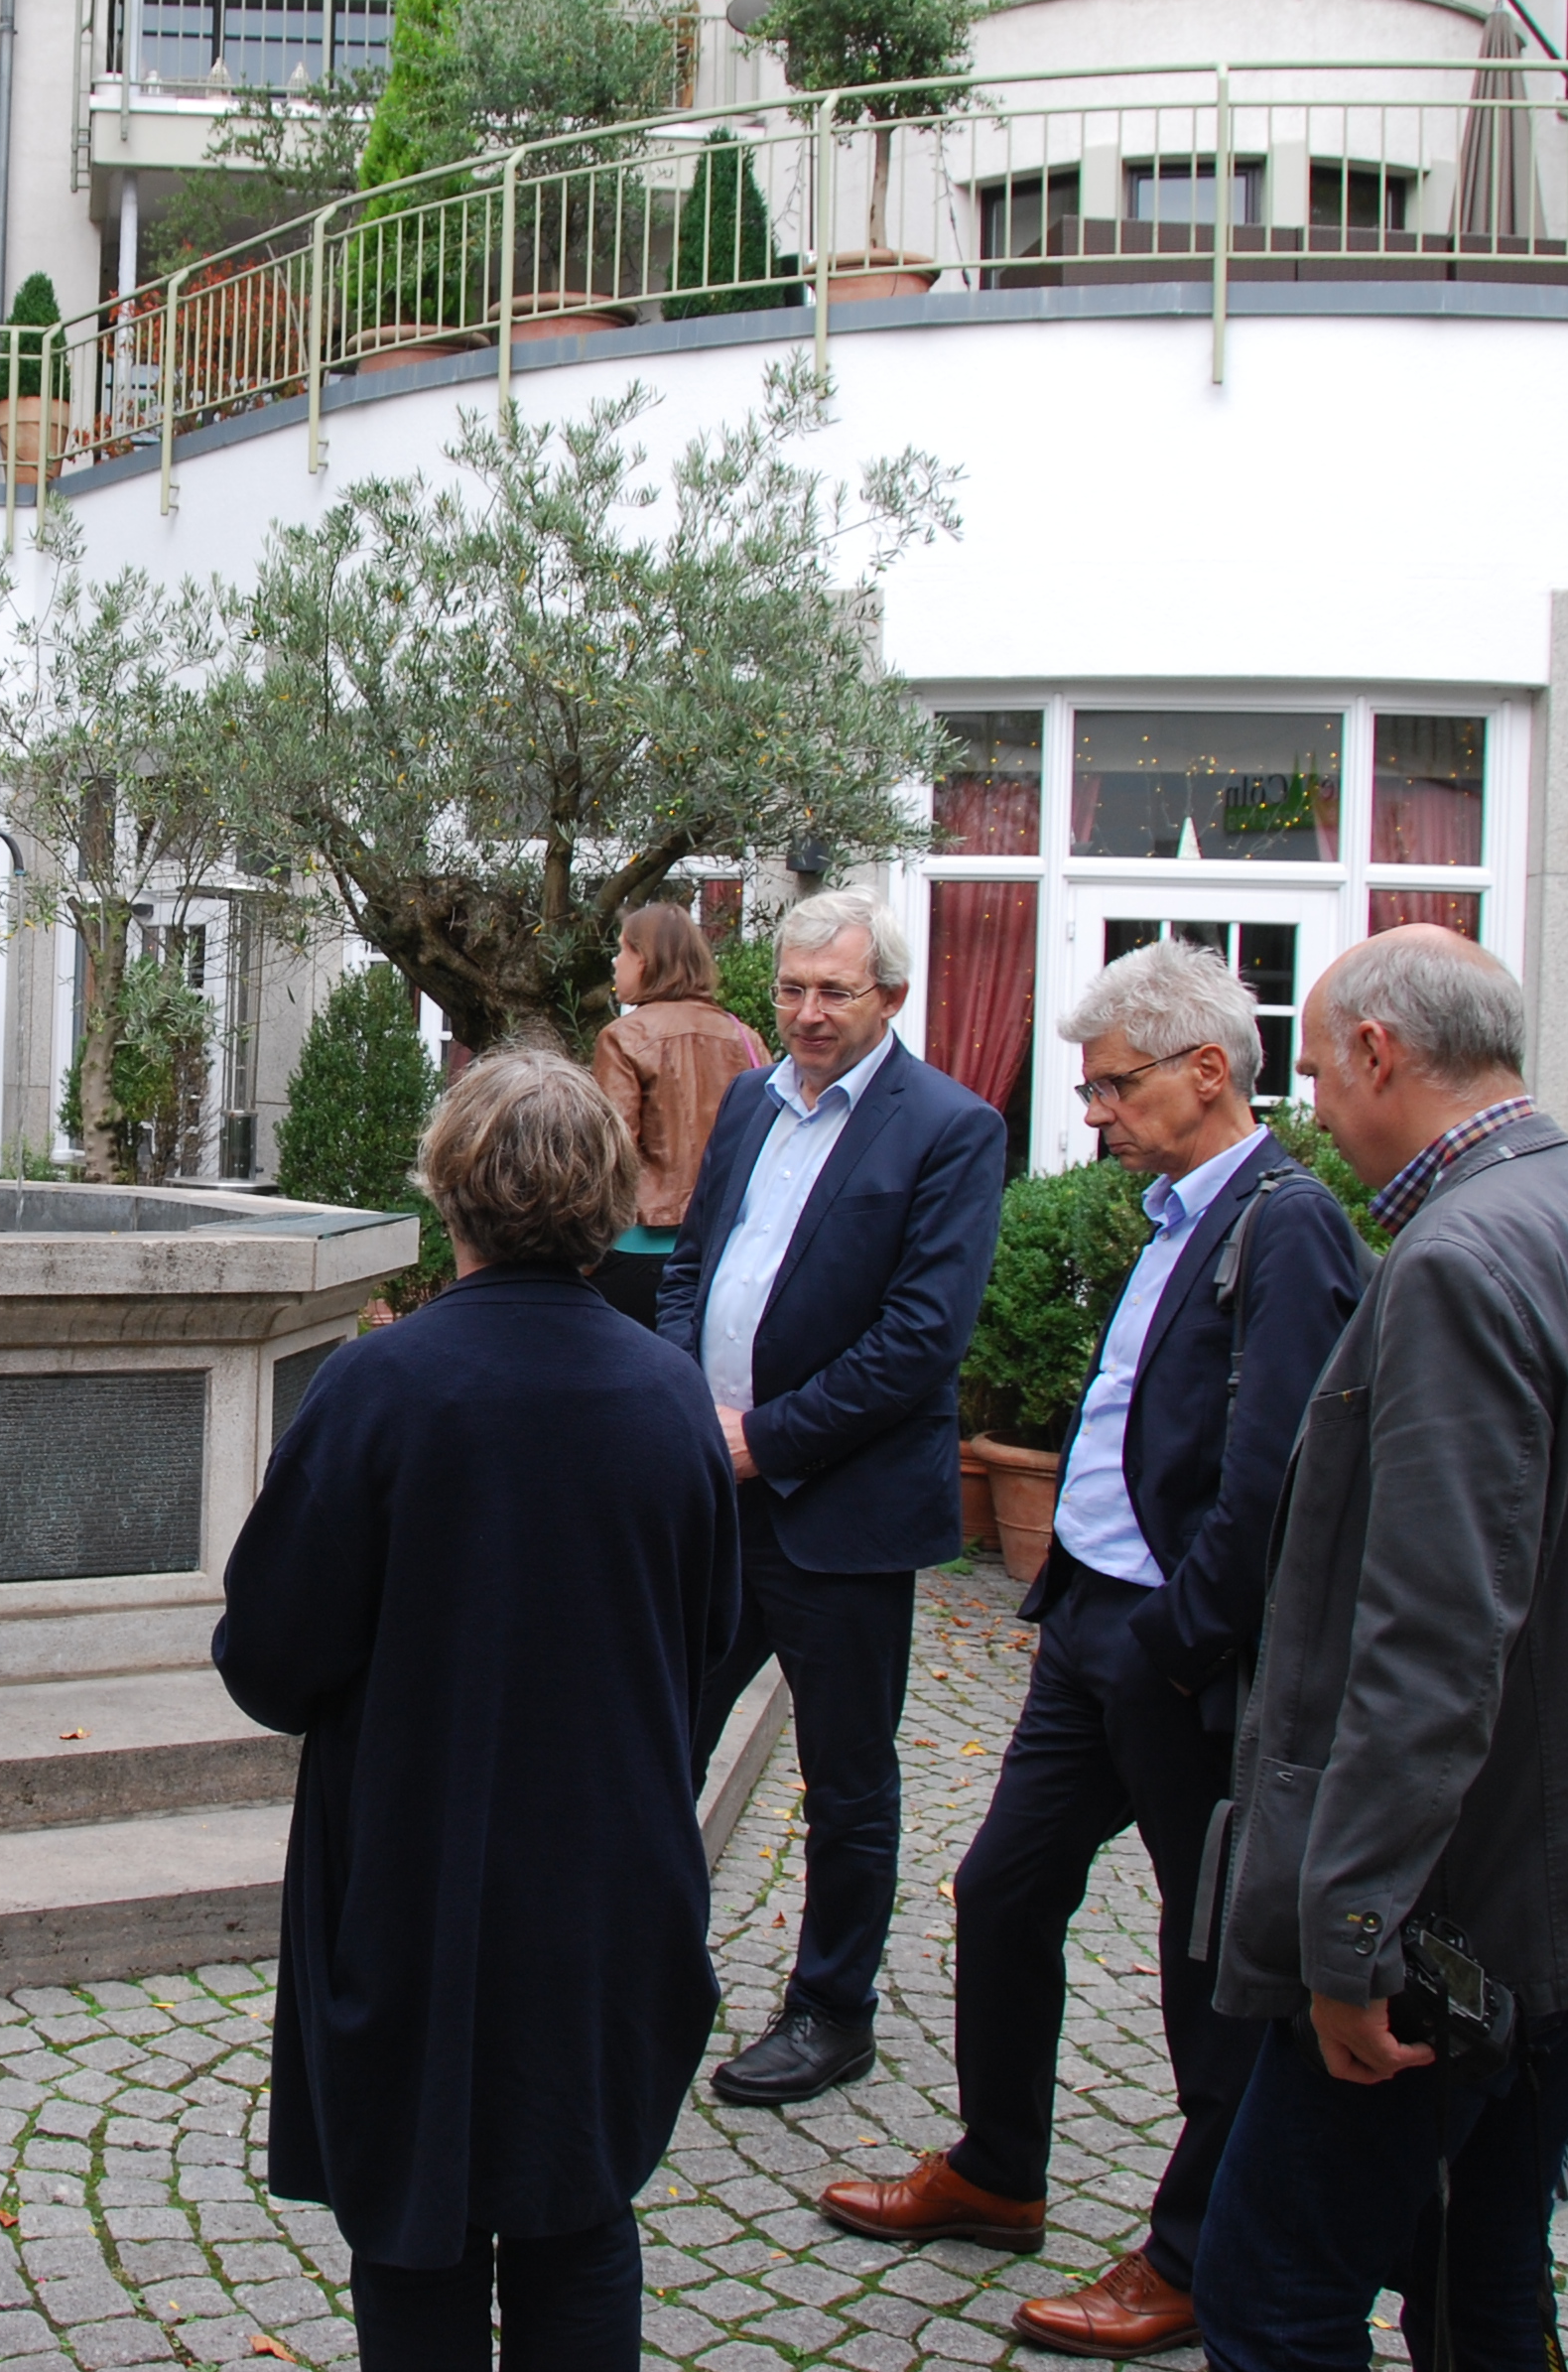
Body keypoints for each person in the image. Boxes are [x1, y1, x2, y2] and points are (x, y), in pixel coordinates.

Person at [1198, 927, 1568, 2372]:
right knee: (1484, 2279)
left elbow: (1434, 1645)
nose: (1313, 1109)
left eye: (1321, 1071)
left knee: (1272, 2288)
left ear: (1384, 1053)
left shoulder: (1459, 1259)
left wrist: (1354, 1937)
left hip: (1459, 1913)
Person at [817, 941, 1367, 2361]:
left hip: (1171, 1646)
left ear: (1205, 1071)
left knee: (1210, 1964)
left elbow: (1272, 1485)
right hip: (1094, 1627)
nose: (1093, 1113)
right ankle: (1000, 2170)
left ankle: (1196, 2252)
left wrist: (1179, 1646)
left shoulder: (1285, 1222)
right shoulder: (1182, 1206)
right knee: (1003, 1893)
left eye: (1115, 1085)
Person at [215, 1050, 739, 2372]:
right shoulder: (668, 1392)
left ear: (451, 1187)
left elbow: (271, 1657)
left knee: (417, 2234)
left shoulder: (383, 1390)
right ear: (602, 1198)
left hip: (417, 1875)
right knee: (578, 2217)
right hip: (610, 1874)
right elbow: (709, 1635)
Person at [656, 886, 1004, 2109]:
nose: (805, 1013)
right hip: (716, 1496)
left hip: (839, 1513)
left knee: (846, 1779)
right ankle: (644, 1966)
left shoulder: (949, 1129)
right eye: (791, 990)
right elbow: (694, 1262)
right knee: (661, 1738)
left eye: (832, 992)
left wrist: (764, 1440)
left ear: (890, 998)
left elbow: (919, 1340)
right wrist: (676, 1395)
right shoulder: (750, 1099)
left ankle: (832, 2009)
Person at [587, 901, 769, 1328]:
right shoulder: (744, 1037)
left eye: (621, 950)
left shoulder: (623, 1038)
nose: (615, 963)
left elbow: (610, 1155)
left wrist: (583, 1257)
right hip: (724, 1249)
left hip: (638, 1252)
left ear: (645, 961)